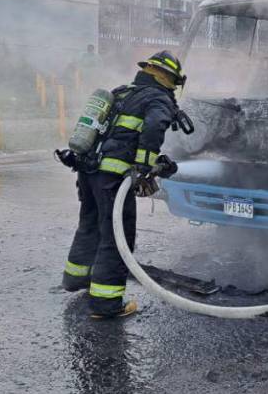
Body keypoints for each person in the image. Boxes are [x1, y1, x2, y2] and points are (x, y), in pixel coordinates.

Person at [59, 51, 184, 320]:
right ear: (166, 76)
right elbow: (153, 128)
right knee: (116, 238)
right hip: (114, 177)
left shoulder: (121, 92)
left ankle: (76, 278)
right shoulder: (158, 97)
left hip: (88, 170)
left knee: (90, 224)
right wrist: (145, 167)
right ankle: (106, 305)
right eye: (173, 80)